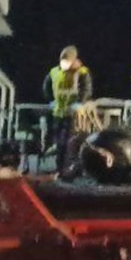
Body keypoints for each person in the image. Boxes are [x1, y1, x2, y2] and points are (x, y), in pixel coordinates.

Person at [42, 46, 93, 178]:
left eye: (67, 60)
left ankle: (69, 169)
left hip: (74, 114)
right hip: (58, 112)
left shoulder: (82, 72)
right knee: (59, 142)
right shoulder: (54, 72)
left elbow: (87, 89)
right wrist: (51, 100)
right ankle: (60, 169)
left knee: (70, 142)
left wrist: (79, 103)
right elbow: (46, 87)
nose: (64, 63)